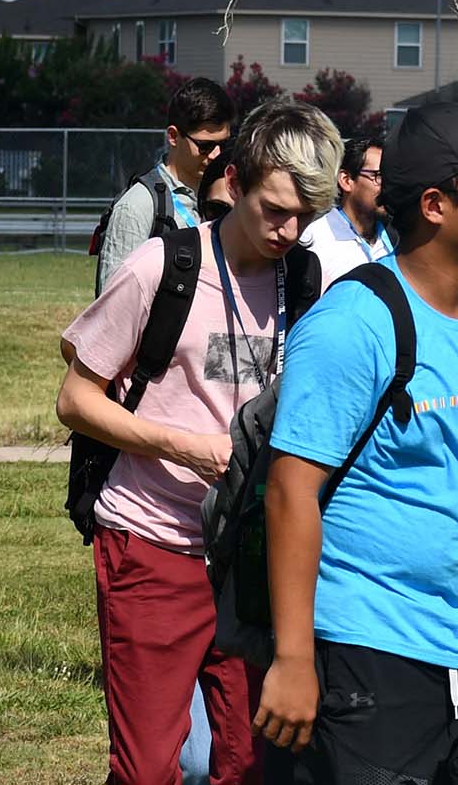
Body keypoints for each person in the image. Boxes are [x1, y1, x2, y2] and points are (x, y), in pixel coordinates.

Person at [253, 104, 458, 784]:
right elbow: (290, 492)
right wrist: (295, 660)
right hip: (374, 659)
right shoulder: (352, 323)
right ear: (434, 205)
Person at [56, 98, 341, 785]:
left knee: (249, 762)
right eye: (275, 210)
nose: (289, 230)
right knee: (149, 767)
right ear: (234, 182)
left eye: (306, 216)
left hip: (254, 558)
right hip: (154, 541)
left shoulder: (308, 281)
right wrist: (183, 446)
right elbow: (75, 400)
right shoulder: (164, 267)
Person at [97, 77, 236, 289]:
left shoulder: (232, 195)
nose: (216, 155)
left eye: (223, 144)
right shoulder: (138, 205)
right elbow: (113, 299)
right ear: (173, 136)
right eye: (205, 146)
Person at [301, 135, 393, 294]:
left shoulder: (396, 239)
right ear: (346, 180)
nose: (387, 186)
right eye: (378, 176)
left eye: (390, 177)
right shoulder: (313, 241)